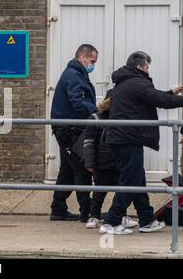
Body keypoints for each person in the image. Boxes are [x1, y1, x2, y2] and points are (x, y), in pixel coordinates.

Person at [101, 51, 183, 235]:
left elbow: (152, 96)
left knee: (137, 178)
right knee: (130, 180)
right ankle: (111, 222)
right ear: (139, 67)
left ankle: (146, 220)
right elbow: (160, 100)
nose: (148, 70)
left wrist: (173, 93)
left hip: (122, 137)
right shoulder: (137, 82)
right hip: (127, 138)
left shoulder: (126, 82)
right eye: (146, 67)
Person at [50, 44, 98, 222]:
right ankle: (87, 212)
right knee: (81, 169)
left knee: (67, 171)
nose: (93, 65)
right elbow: (77, 102)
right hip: (69, 130)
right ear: (83, 57)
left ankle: (58, 208)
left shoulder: (76, 73)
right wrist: (96, 110)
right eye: (92, 61)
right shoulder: (74, 75)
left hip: (66, 129)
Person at [82, 91, 138, 230]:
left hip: (120, 162)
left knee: (122, 191)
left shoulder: (125, 118)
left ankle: (121, 216)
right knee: (99, 192)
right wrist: (89, 163)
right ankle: (94, 216)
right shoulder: (96, 118)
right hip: (102, 163)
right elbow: (89, 143)